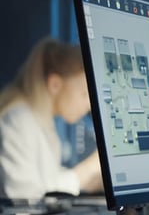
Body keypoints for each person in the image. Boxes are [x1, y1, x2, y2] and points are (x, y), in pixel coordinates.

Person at [0, 37, 102, 201]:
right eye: (84, 94)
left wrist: (91, 179)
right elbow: (26, 197)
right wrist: (90, 167)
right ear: (55, 84)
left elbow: (47, 179)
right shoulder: (19, 119)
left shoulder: (42, 122)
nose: (89, 104)